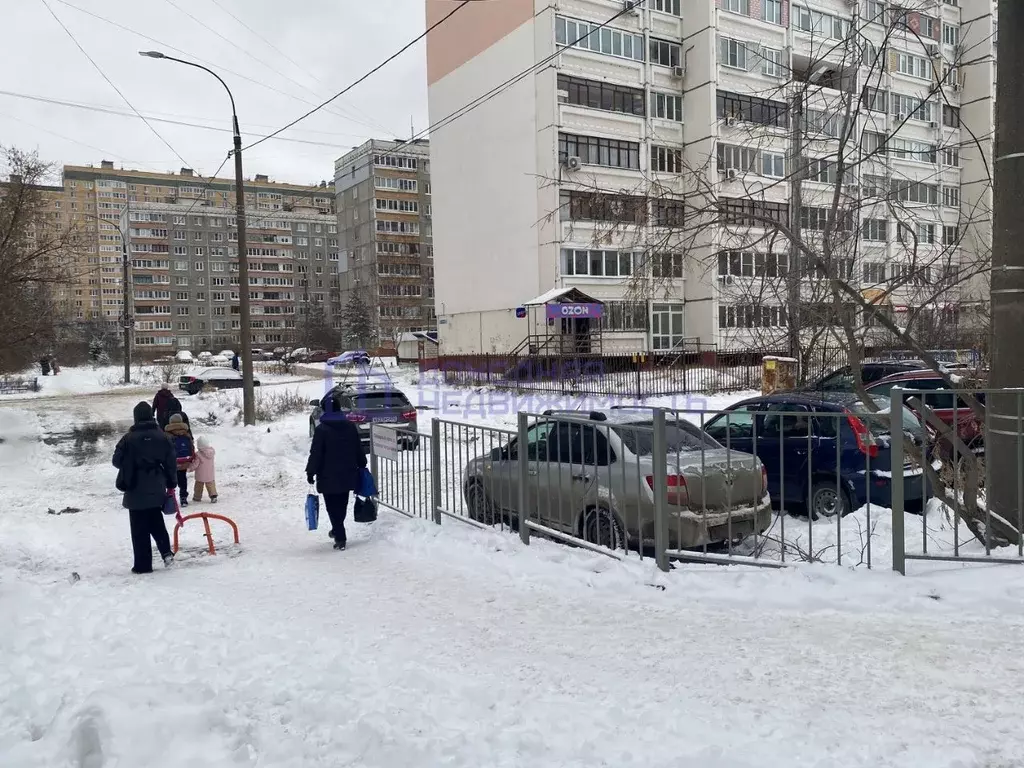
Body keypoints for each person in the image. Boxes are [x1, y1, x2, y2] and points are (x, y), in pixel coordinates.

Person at [112, 401, 177, 574]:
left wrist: (131, 461)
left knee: (139, 527)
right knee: (156, 520)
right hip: (156, 485)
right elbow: (171, 463)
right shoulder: (163, 437)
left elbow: (116, 461)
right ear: (151, 416)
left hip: (134, 487)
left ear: (136, 417)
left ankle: (143, 565)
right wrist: (171, 484)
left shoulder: (128, 439)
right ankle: (166, 553)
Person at [305, 400, 366, 550]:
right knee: (342, 504)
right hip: (347, 472)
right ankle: (337, 530)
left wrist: (311, 471)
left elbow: (316, 453)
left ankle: (340, 535)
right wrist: (362, 462)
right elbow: (357, 447)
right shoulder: (350, 427)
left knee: (332, 506)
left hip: (327, 474)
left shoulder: (322, 429)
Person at [164, 413, 195, 506]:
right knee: (182, 479)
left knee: (170, 479)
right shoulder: (186, 433)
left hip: (171, 462)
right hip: (183, 461)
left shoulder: (166, 434)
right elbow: (191, 446)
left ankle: (170, 497)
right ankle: (183, 497)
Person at [190, 435, 218, 503]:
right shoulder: (211, 452)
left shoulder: (198, 454)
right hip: (210, 474)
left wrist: (189, 468)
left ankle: (197, 497)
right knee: (211, 485)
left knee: (198, 486)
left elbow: (195, 464)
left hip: (200, 474)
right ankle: (213, 496)